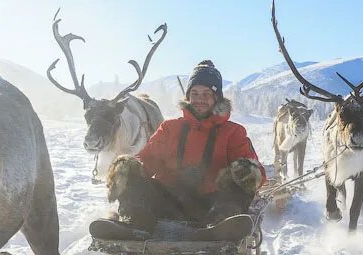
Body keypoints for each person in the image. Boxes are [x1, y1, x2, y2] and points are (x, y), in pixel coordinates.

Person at [95, 60, 265, 238]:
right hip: (169, 202)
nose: (200, 99)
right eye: (195, 93)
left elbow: (257, 173)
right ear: (188, 97)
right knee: (128, 168)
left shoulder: (233, 132)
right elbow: (147, 159)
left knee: (245, 175)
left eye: (207, 93)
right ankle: (135, 222)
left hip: (213, 204)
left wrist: (246, 172)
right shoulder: (170, 128)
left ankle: (220, 226)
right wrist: (128, 171)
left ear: (217, 98)